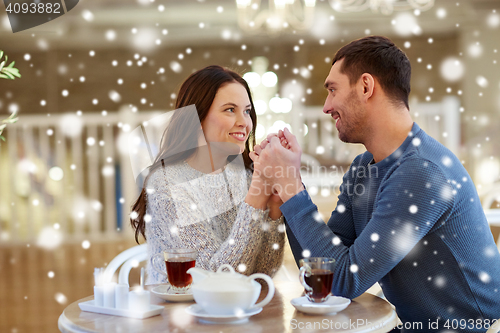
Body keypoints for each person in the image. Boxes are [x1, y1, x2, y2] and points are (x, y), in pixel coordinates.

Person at [251, 36, 500, 332]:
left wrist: (291, 186)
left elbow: (345, 280)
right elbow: (326, 268)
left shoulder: (421, 171)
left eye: (333, 90)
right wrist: (287, 191)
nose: (326, 106)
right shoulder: (362, 168)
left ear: (366, 87)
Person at [130, 65, 285, 284]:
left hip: (232, 311)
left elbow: (264, 271)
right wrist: (256, 200)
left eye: (247, 111)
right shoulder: (167, 184)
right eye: (230, 109)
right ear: (197, 118)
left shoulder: (243, 176)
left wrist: (274, 209)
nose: (244, 122)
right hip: (176, 313)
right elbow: (216, 280)